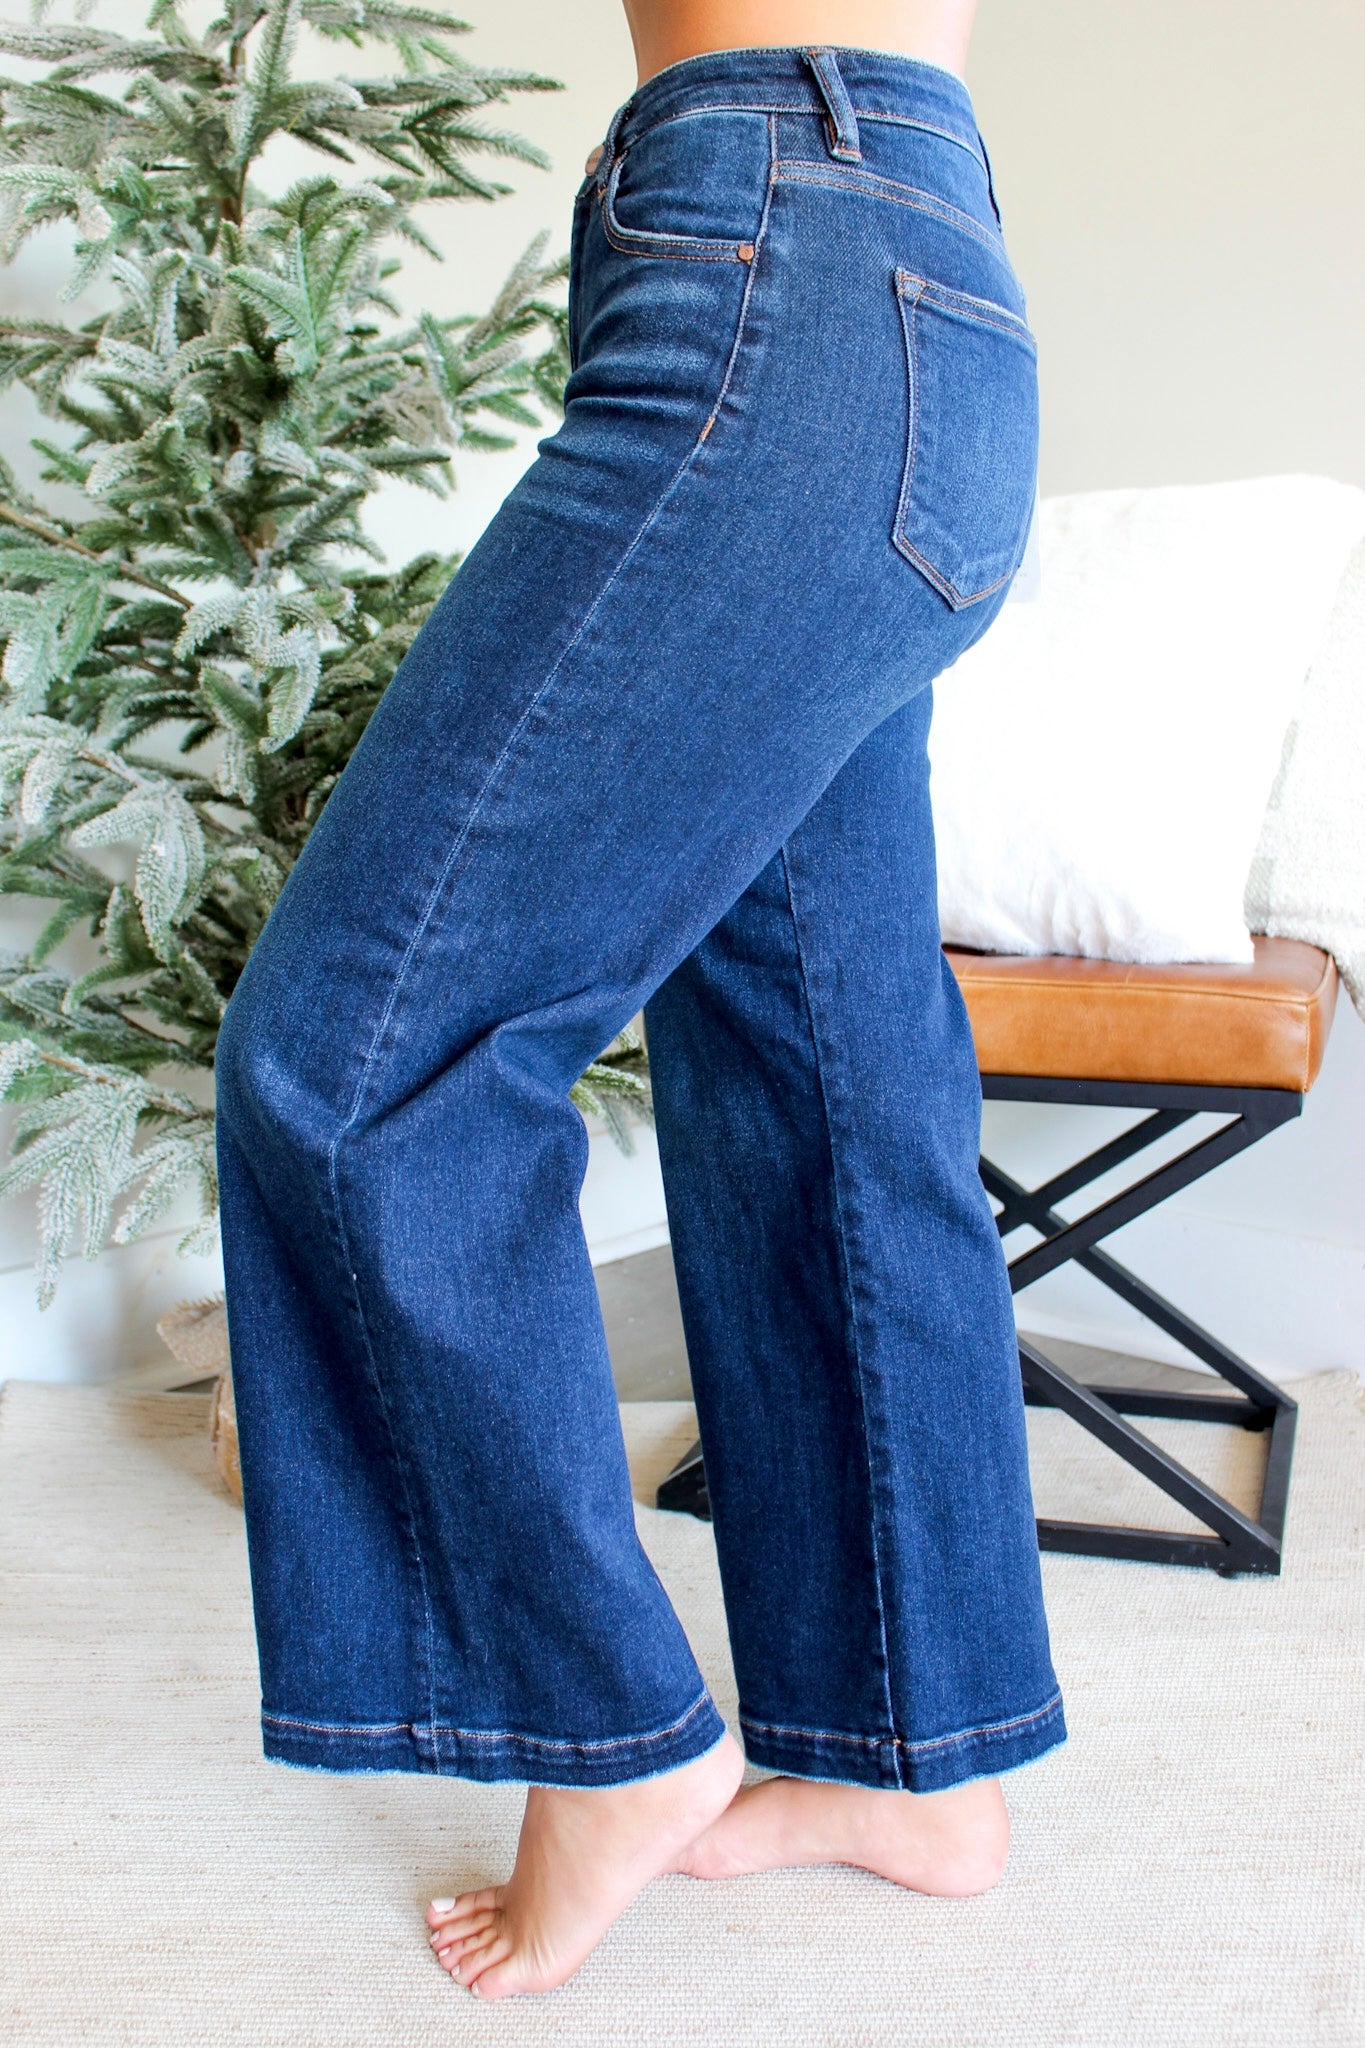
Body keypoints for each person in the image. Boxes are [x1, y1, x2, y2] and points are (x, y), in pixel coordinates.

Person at [213, 0, 1064, 2002]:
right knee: (822, 1071)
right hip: (912, 273)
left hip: (779, 258)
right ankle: (912, 1762)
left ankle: (608, 1729)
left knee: (359, 1059)